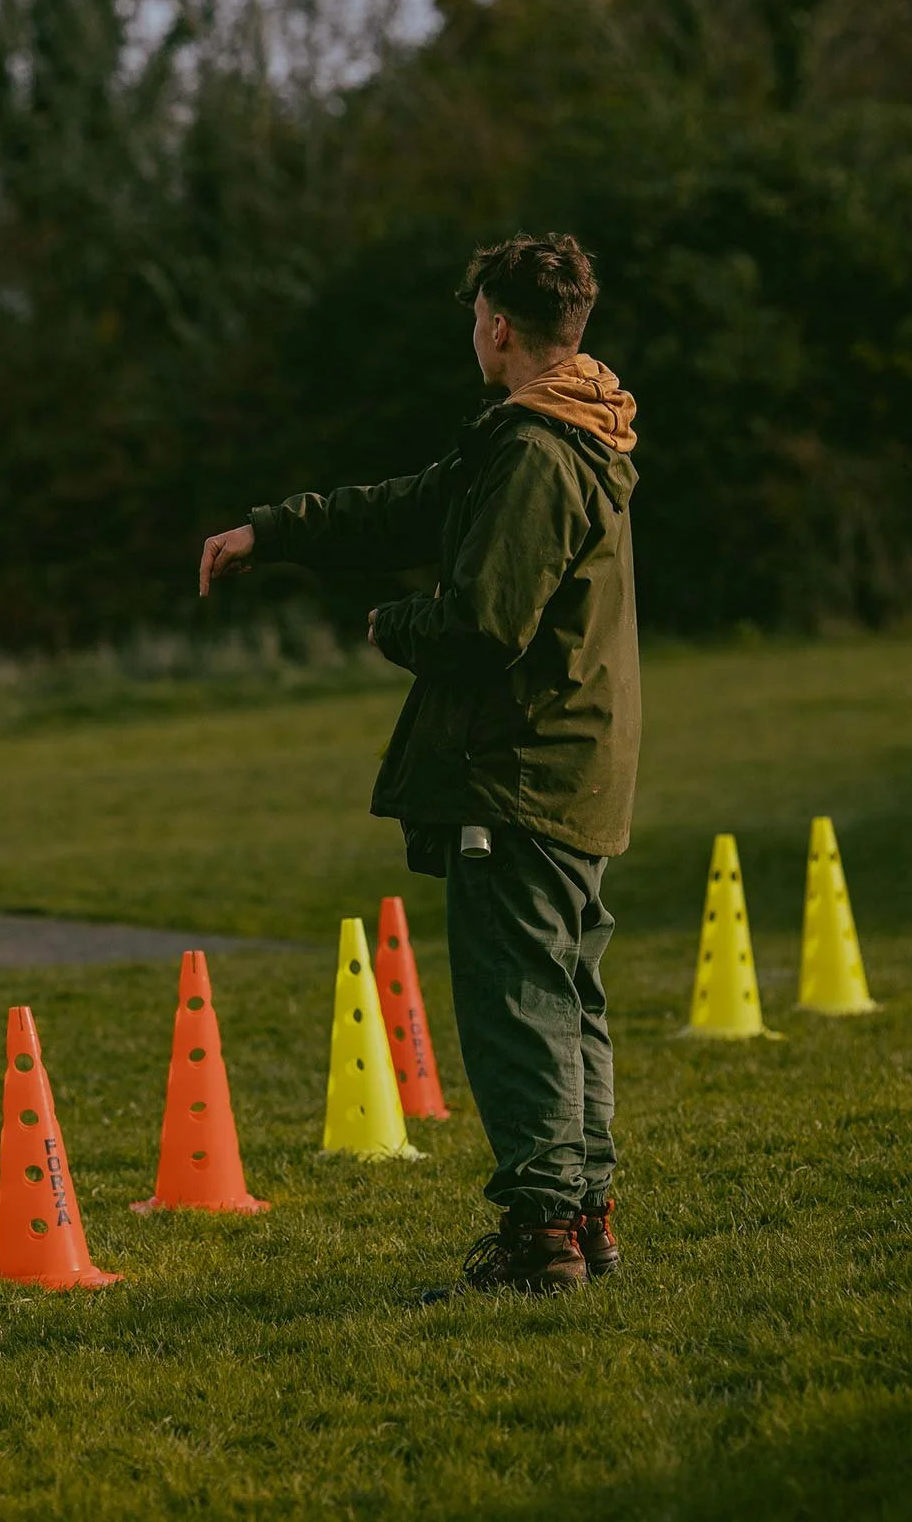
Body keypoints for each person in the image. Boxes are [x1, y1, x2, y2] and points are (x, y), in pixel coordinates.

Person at [199, 232, 641, 1297]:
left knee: (519, 1003)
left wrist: (391, 624)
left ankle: (543, 1242)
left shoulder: (536, 453)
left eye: (473, 320)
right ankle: (584, 1221)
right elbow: (412, 503)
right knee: (569, 997)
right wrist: (276, 530)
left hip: (519, 768)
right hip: (574, 764)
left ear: (497, 325)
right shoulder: (567, 435)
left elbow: (485, 627)